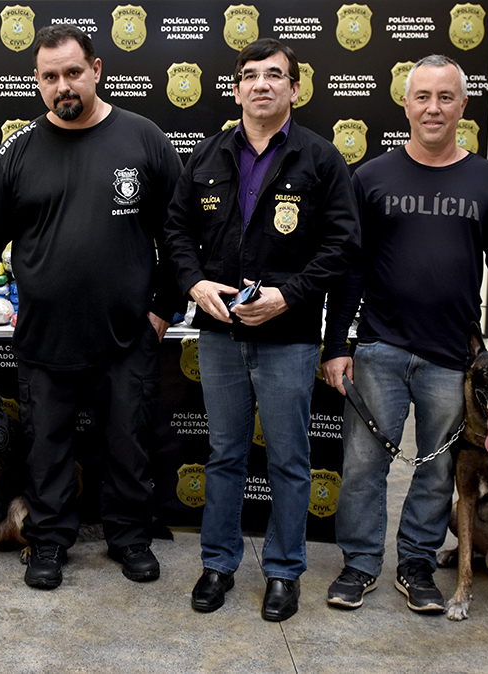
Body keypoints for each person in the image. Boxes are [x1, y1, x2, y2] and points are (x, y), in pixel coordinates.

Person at [0, 24, 183, 589]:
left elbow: (178, 233)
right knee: (48, 449)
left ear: (96, 69)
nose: (62, 85)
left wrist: (164, 308)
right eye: (49, 76)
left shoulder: (144, 140)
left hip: (126, 335)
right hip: (45, 337)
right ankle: (49, 542)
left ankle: (130, 538)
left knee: (127, 444)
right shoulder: (17, 152)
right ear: (37, 82)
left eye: (72, 72)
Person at [321, 54, 488, 613]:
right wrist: (338, 344)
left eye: (446, 97)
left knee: (439, 467)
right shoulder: (370, 177)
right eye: (423, 97)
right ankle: (360, 563)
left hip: (452, 358)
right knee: (364, 463)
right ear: (406, 104)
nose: (433, 108)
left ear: (463, 106)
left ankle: (417, 562)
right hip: (379, 347)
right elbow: (350, 267)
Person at [162, 38, 359, 621]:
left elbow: (342, 245)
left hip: (289, 337)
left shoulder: (321, 160)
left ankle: (283, 571)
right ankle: (218, 564)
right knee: (223, 453)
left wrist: (289, 295)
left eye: (275, 76)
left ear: (295, 89)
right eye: (250, 76)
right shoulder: (207, 156)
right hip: (219, 334)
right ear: (237, 86)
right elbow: (174, 233)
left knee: (289, 460)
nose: (262, 85)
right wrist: (196, 286)